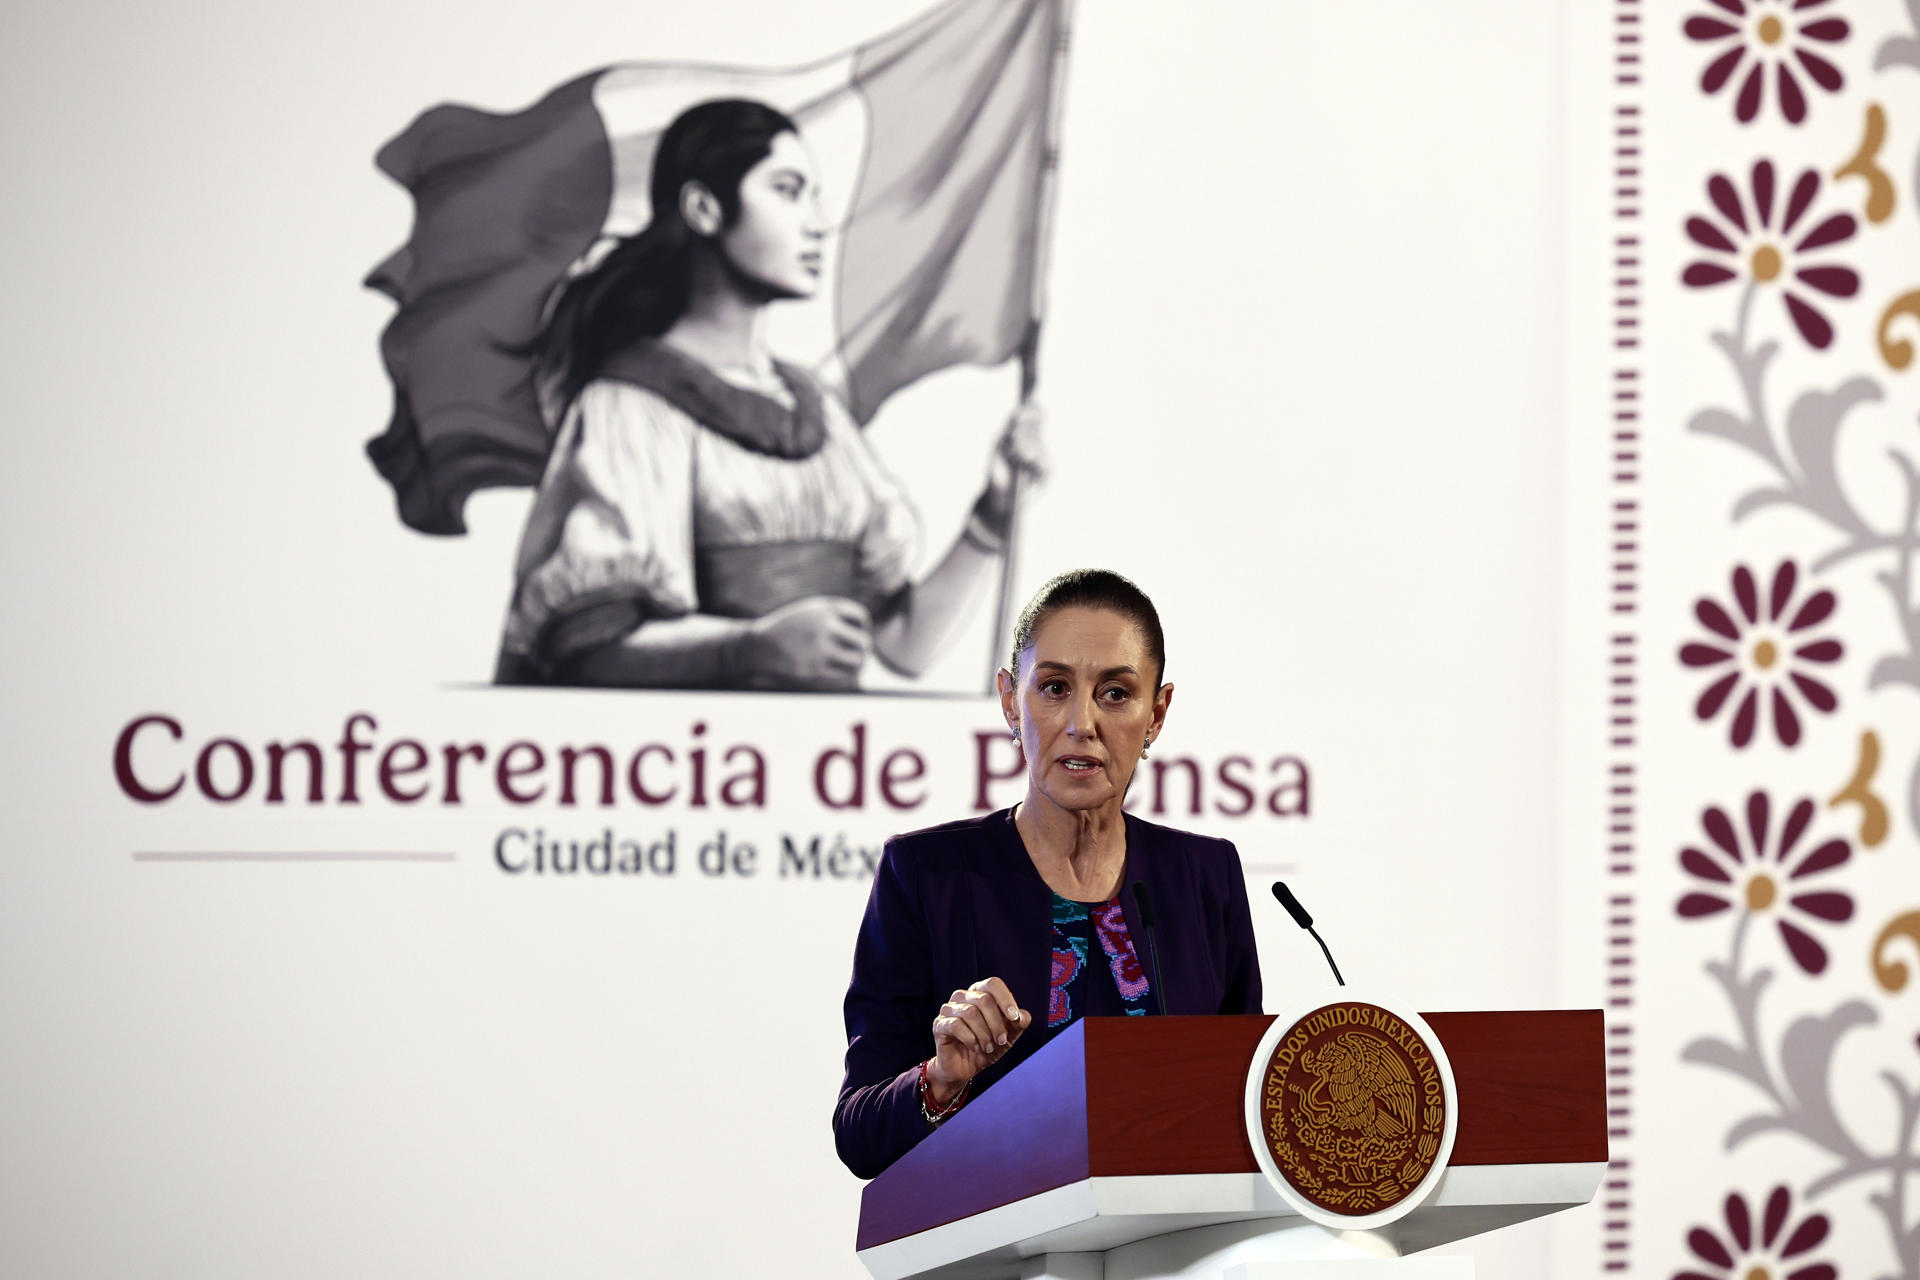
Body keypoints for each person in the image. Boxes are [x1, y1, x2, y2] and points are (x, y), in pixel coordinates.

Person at [495, 98, 1042, 688]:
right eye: (787, 190)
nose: (816, 222)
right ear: (704, 209)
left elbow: (905, 646)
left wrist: (993, 515)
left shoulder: (818, 412)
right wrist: (747, 650)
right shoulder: (629, 406)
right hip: (696, 764)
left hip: (828, 766)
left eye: (813, 195)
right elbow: (587, 655)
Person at [834, 569, 1264, 1179]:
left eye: (1115, 693)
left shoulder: (1203, 877)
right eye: (1055, 687)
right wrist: (941, 1079)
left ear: (1158, 712)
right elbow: (858, 1134)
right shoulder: (927, 876)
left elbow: (1243, 1107)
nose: (1081, 722)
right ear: (1011, 700)